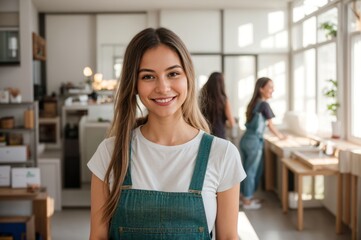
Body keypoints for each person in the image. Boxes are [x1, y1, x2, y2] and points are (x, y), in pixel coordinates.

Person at [87, 27, 246, 239]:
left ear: (188, 77)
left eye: (173, 74)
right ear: (133, 84)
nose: (163, 88)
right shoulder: (110, 153)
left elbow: (228, 237)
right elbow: (98, 237)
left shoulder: (222, 154)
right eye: (148, 76)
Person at [239, 77, 286, 210]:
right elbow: (271, 126)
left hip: (246, 139)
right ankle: (247, 201)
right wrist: (282, 137)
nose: (273, 90)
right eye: (270, 87)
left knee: (247, 170)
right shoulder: (264, 105)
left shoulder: (254, 103)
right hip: (254, 141)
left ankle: (244, 197)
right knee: (252, 171)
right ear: (261, 89)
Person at [199, 72, 236, 139]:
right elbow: (232, 123)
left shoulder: (202, 98)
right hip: (219, 135)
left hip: (204, 134)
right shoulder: (224, 100)